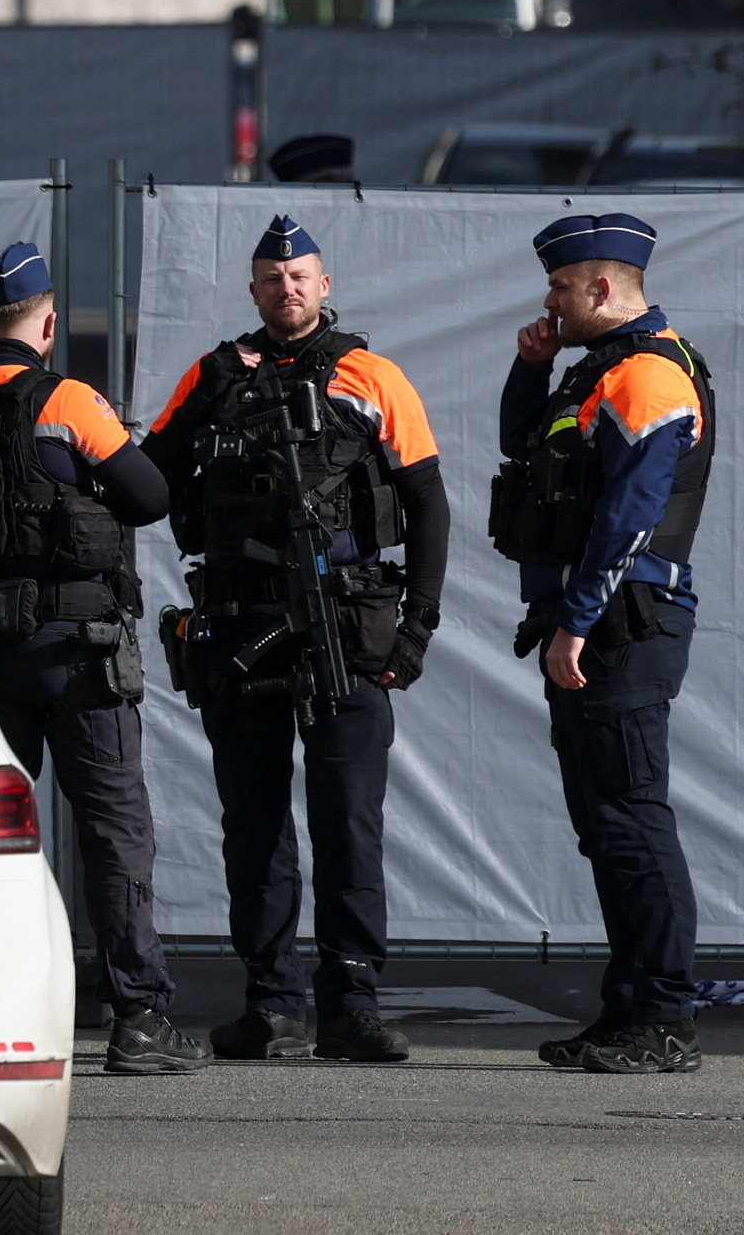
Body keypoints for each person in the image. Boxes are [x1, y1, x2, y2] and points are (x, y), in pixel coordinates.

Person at [0, 240, 207, 1079]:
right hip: (76, 650)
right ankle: (139, 1018)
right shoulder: (69, 401)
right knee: (114, 830)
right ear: (47, 326)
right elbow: (150, 496)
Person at [149, 214, 448, 1064]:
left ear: (324, 286)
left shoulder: (372, 375)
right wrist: (205, 395)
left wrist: (418, 628)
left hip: (342, 629)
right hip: (240, 623)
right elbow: (150, 478)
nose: (287, 288)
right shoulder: (213, 373)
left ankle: (351, 1003)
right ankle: (272, 1002)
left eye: (300, 276)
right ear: (254, 290)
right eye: (272, 278)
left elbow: (427, 504)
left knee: (347, 820)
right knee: (252, 825)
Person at [497, 211, 713, 1076]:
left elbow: (632, 516)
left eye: (559, 287)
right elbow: (522, 449)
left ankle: (662, 1018)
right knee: (606, 824)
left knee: (630, 819)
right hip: (597, 622)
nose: (549, 299)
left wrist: (577, 621)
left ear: (600, 287)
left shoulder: (650, 374)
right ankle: (628, 1011)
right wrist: (532, 366)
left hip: (623, 623)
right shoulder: (598, 371)